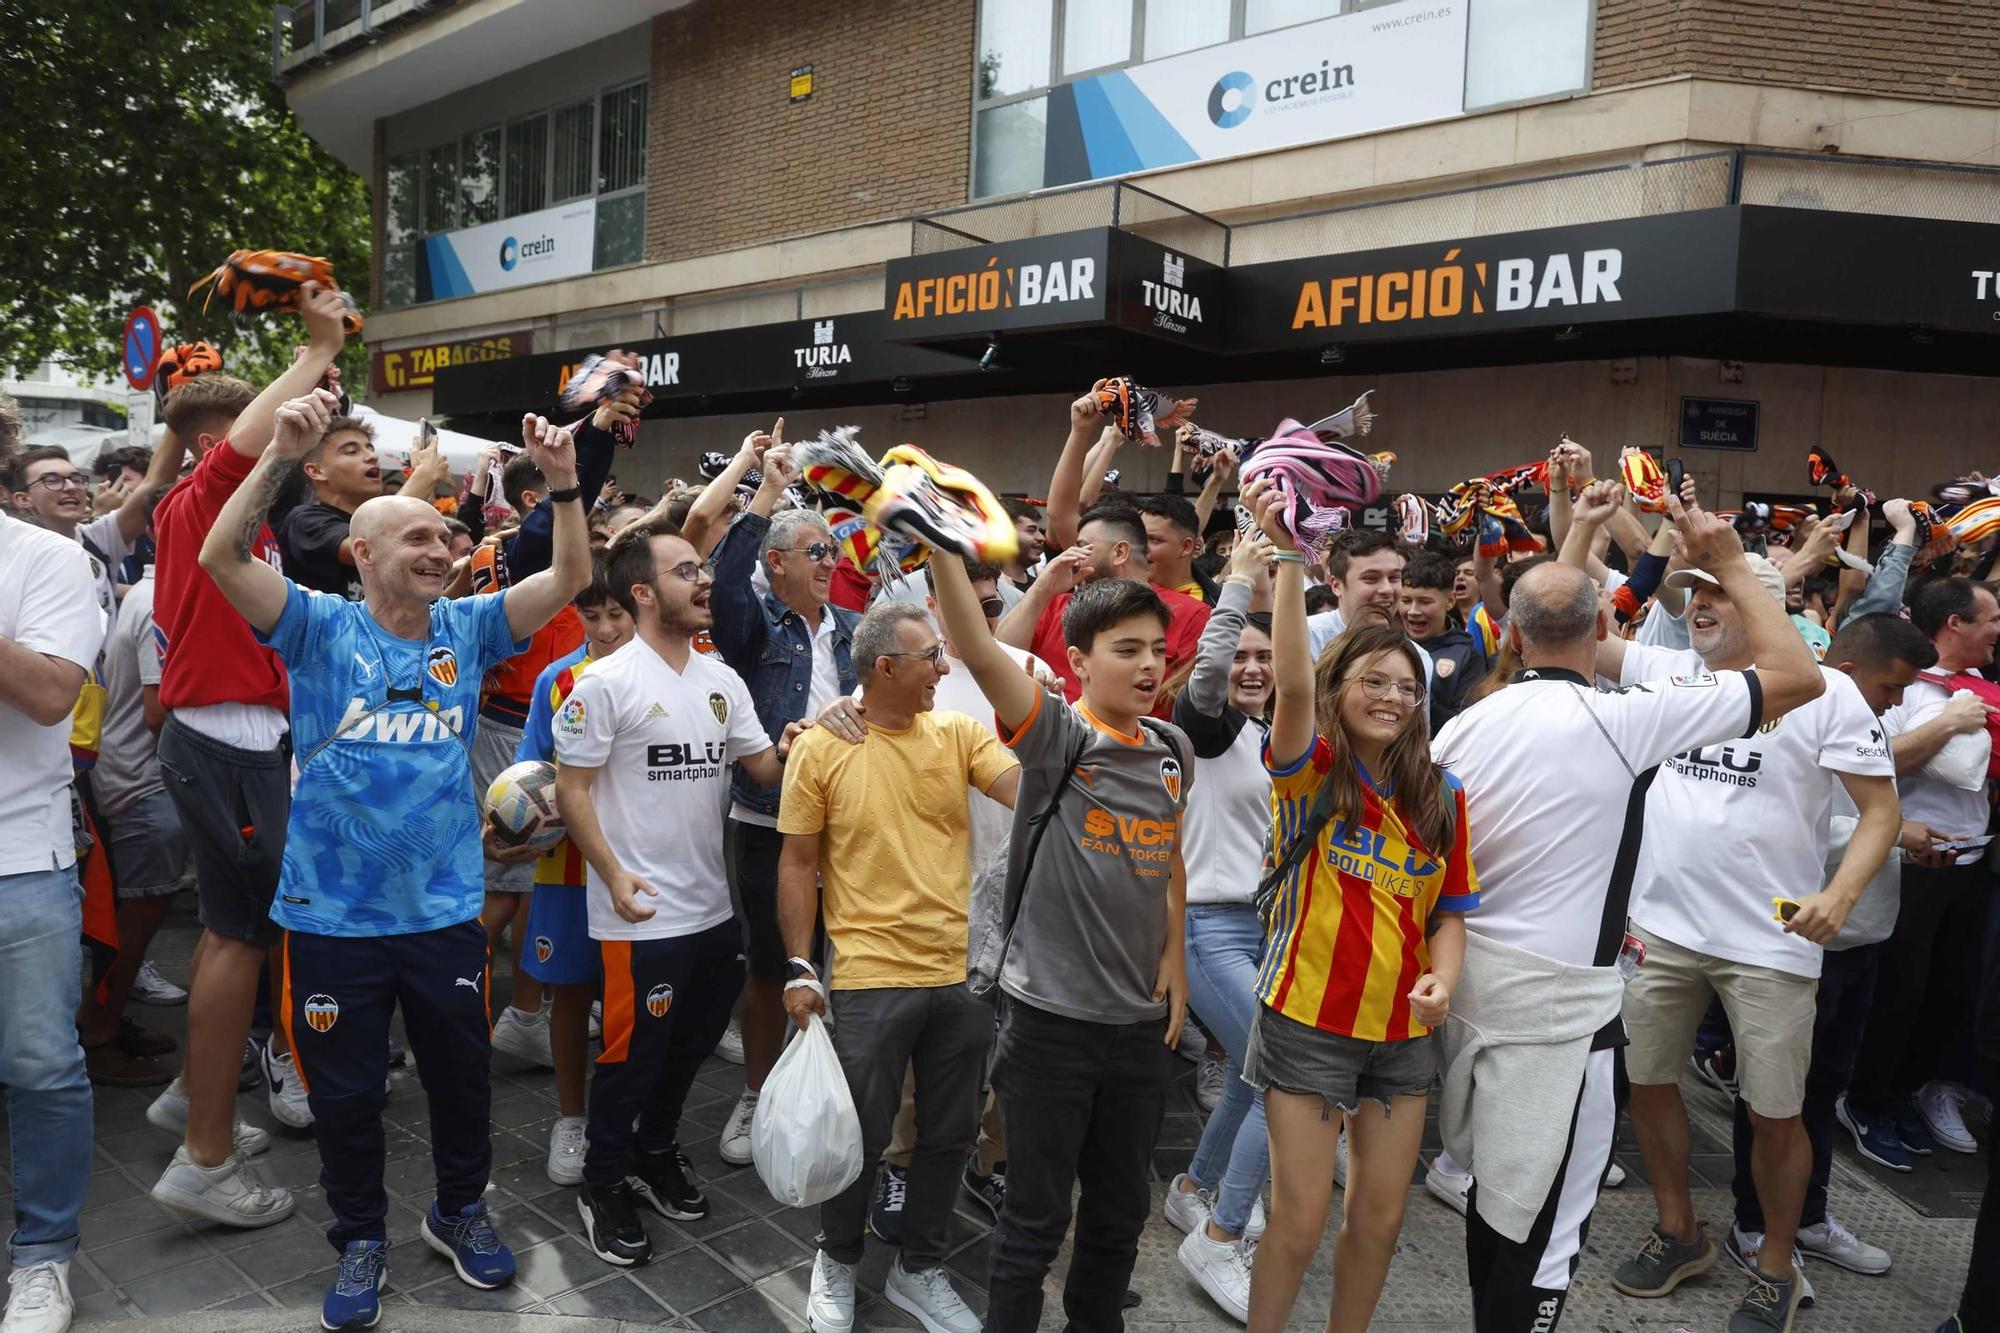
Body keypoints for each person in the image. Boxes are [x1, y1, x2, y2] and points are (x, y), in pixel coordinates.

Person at [190, 390, 591, 1330]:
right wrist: (280, 457)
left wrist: (566, 486)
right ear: (362, 554)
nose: (440, 548)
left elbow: (571, 577)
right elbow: (216, 556)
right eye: (415, 536)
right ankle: (360, 1234)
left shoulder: (473, 626)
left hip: (445, 908)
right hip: (331, 918)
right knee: (346, 1094)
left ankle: (459, 1211)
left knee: (459, 1081)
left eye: (445, 536)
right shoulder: (318, 625)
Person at [1430, 488, 1826, 1333]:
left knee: (1492, 1203)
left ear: (1510, 634)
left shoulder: (1462, 726)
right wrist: (1728, 562)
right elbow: (1799, 676)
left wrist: (1574, 532)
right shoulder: (1625, 724)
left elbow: (1548, 621)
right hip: (1561, 1019)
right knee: (1546, 1229)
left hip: (1465, 998)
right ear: (1597, 633)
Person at [1574, 477, 1898, 1333]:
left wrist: (1839, 892)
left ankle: (1776, 1264)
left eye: (1722, 590)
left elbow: (1881, 812)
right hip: (1661, 929)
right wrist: (1587, 524)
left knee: (1774, 1112)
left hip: (1771, 939)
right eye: (1697, 592)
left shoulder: (1830, 692)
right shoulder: (1667, 668)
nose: (1704, 605)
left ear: (1763, 598)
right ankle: (1680, 1229)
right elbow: (1567, 633)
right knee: (1646, 1082)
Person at [930, 551, 1190, 1333]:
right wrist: (943, 545)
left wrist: (1174, 956)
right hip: (1049, 1024)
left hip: (1140, 1028)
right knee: (1034, 1222)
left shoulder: (1173, 750)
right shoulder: (1058, 735)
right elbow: (976, 648)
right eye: (1127, 648)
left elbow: (1170, 854)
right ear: (1076, 661)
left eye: (1156, 647)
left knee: (1118, 1217)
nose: (1150, 664)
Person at [1238, 480, 1475, 1333]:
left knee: (1378, 1221)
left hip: (1404, 1039)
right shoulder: (1309, 772)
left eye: (1407, 687)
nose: (1392, 698)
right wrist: (1293, 564)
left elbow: (1448, 910)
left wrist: (1442, 983)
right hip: (1306, 1019)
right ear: (1341, 687)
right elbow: (1292, 689)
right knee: (1299, 1223)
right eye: (1373, 681)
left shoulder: (1442, 794)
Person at [147, 286, 349, 1213]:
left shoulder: (231, 517)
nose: (289, 432)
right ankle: (205, 1156)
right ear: (204, 447)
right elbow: (247, 440)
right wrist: (314, 350)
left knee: (236, 933)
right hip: (224, 736)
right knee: (240, 935)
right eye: (265, 421)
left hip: (239, 736)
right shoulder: (202, 498)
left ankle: (200, 1091)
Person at [553, 522, 795, 1266]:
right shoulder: (606, 682)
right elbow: (572, 790)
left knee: (689, 1046)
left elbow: (763, 767)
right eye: (687, 569)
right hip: (638, 915)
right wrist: (613, 873)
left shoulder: (721, 679)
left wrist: (814, 738)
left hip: (712, 909)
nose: (705, 581)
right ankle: (602, 1180)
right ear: (642, 591)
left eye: (703, 569)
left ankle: (653, 1150)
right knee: (630, 1055)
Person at [780, 601, 1021, 1333]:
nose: (945, 670)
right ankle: (838, 1259)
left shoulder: (957, 733)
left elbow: (1025, 788)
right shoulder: (822, 746)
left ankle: (921, 1267)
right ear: (884, 667)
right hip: (867, 972)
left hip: (960, 974)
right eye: (931, 658)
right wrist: (799, 965)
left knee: (949, 1134)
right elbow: (796, 862)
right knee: (859, 1133)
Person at [1725, 613, 1945, 1281]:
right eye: (1890, 687)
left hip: (1861, 941)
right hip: (1803, 943)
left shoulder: (1863, 723)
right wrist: (1896, 834)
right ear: (1848, 676)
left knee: (1819, 1090)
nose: (1897, 704)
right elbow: (1788, 832)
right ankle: (1757, 1223)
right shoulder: (1795, 717)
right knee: (1775, 1098)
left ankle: (1806, 1216)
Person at [862, 561, 1053, 1244]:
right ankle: (901, 1164)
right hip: (936, 894)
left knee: (1018, 1043)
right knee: (930, 1049)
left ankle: (991, 1161)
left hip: (1025, 889)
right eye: (967, 603)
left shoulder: (1030, 670)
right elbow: (859, 726)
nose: (985, 614)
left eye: (996, 602)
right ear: (934, 606)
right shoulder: (917, 679)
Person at [708, 440, 861, 1167]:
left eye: (832, 550)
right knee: (772, 966)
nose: (829, 561)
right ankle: (760, 1092)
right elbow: (722, 585)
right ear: (778, 565)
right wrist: (766, 491)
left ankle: (834, 1092)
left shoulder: (859, 633)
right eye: (813, 550)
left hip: (853, 827)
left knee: (845, 963)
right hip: (769, 822)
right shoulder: (754, 626)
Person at [480, 392, 635, 1073]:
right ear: (531, 502)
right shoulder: (517, 555)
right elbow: (569, 556)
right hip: (513, 734)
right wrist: (585, 456)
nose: (600, 623)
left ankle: (521, 1012)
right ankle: (473, 1005)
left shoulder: (673, 667)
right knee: (504, 882)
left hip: (638, 849)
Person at [0, 417, 105, 1333]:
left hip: (19, 857)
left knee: (37, 1066)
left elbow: (46, 695)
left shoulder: (44, 559)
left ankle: (41, 1257)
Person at [1161, 531, 1278, 1322]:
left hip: (1261, 926)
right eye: (1242, 656)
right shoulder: (1202, 729)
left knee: (1251, 1069)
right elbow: (1208, 676)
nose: (1252, 667)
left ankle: (1197, 1186)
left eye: (1267, 658)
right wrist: (1237, 584)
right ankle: (1221, 1232)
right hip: (1203, 929)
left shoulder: (1273, 738)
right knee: (1291, 1071)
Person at [1844, 577, 2000, 1164]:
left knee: (1950, 996)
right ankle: (1863, 1100)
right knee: (1896, 995)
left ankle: (1902, 1092)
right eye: (1991, 619)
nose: (1998, 631)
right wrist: (1950, 724)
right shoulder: (1903, 685)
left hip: (1970, 862)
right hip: (1909, 861)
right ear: (1954, 624)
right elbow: (1876, 761)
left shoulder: (1984, 686)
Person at [511, 552, 637, 1185]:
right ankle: (571, 1117)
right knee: (570, 993)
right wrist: (509, 822)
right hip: (566, 868)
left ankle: (627, 1116)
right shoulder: (557, 681)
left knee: (633, 996)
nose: (607, 628)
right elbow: (529, 771)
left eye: (617, 613)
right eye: (593, 615)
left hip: (644, 863)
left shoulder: (671, 675)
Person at [995, 501, 1210, 716]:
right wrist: (1041, 589)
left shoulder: (1190, 613)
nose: (1073, 556)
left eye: (1083, 546)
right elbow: (1001, 656)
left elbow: (1190, 702)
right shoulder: (1055, 604)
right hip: (1053, 738)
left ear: (1120, 552)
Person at [278, 415, 447, 599]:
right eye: (351, 451)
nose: (372, 457)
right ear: (316, 471)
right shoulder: (305, 521)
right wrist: (424, 476)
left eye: (370, 448)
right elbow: (375, 545)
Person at [1400, 551, 1488, 730]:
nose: (1413, 611)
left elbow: (1467, 725)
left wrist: (1421, 696)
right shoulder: (1388, 646)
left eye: (1425, 602)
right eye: (1406, 600)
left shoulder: (1468, 657)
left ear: (1449, 601)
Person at [1138, 493, 1216, 603]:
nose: (1141, 547)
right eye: (1139, 537)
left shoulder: (1207, 611)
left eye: (1154, 540)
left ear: (1186, 547)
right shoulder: (1124, 592)